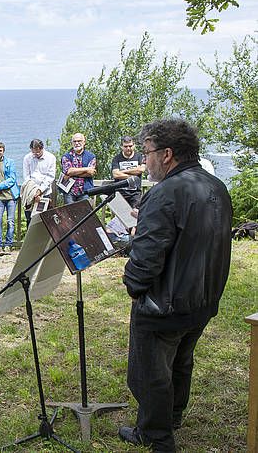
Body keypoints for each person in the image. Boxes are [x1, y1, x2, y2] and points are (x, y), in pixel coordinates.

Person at [118, 119, 232, 451]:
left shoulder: (164, 192)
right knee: (181, 362)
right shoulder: (215, 185)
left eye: (147, 152)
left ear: (167, 154)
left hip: (164, 305)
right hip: (202, 299)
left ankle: (157, 436)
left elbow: (146, 260)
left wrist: (134, 285)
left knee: (150, 376)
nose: (144, 161)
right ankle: (174, 416)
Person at [22, 138, 56, 224]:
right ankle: (31, 237)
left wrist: (39, 191)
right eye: (34, 152)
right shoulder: (27, 158)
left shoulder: (51, 157)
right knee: (30, 219)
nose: (36, 154)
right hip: (30, 193)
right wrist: (34, 192)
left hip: (45, 193)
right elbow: (26, 176)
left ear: (42, 148)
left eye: (38, 152)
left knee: (45, 220)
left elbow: (50, 177)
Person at [60, 133, 96, 205]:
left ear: (84, 142)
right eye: (74, 141)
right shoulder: (66, 156)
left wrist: (73, 173)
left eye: (79, 141)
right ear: (72, 143)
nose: (77, 143)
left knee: (84, 213)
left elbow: (91, 173)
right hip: (69, 191)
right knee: (70, 214)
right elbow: (68, 171)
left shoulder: (91, 156)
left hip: (85, 191)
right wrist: (86, 169)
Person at [111, 136, 145, 208]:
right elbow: (116, 174)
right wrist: (133, 176)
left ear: (134, 145)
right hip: (120, 193)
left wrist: (123, 171)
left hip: (136, 194)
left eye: (130, 146)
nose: (128, 148)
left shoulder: (140, 156)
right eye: (125, 146)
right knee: (121, 216)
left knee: (135, 215)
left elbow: (141, 170)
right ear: (121, 147)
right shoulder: (116, 158)